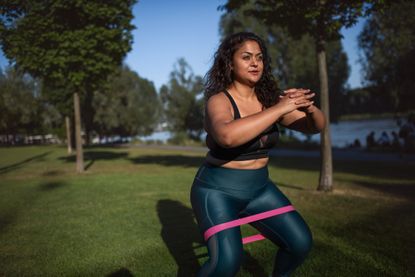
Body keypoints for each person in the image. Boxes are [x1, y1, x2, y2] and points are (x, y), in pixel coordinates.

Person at [190, 32, 325, 277]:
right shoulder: (218, 100)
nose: (255, 63)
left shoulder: (270, 100)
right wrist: (280, 108)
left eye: (259, 58)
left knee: (299, 243)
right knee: (226, 263)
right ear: (230, 63)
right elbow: (227, 136)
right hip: (217, 191)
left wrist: (309, 107)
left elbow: (314, 127)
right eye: (247, 57)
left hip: (260, 190)